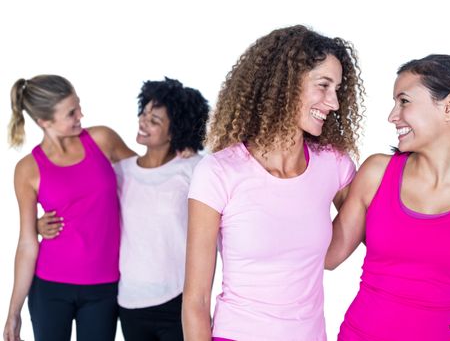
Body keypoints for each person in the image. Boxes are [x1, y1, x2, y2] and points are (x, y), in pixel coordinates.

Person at [182, 25, 365, 341]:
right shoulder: (218, 172)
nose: (333, 102)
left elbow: (349, 250)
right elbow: (196, 301)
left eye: (337, 89)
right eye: (323, 86)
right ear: (285, 85)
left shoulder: (333, 165)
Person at [326, 54, 450, 340]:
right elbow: (329, 257)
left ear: (449, 107)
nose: (392, 116)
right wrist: (313, 170)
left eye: (404, 101)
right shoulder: (377, 173)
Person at [36, 77, 210, 341]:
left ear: (176, 131)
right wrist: (38, 225)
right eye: (144, 113)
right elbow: (84, 204)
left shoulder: (194, 168)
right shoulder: (120, 172)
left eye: (154, 121)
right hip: (130, 302)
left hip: (178, 299)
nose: (143, 121)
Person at [3, 75, 135, 341]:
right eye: (71, 113)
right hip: (49, 289)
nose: (81, 115)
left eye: (79, 106)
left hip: (103, 286)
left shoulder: (101, 139)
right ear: (45, 122)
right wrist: (13, 311)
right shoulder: (27, 169)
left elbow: (149, 178)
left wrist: (182, 151)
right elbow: (27, 244)